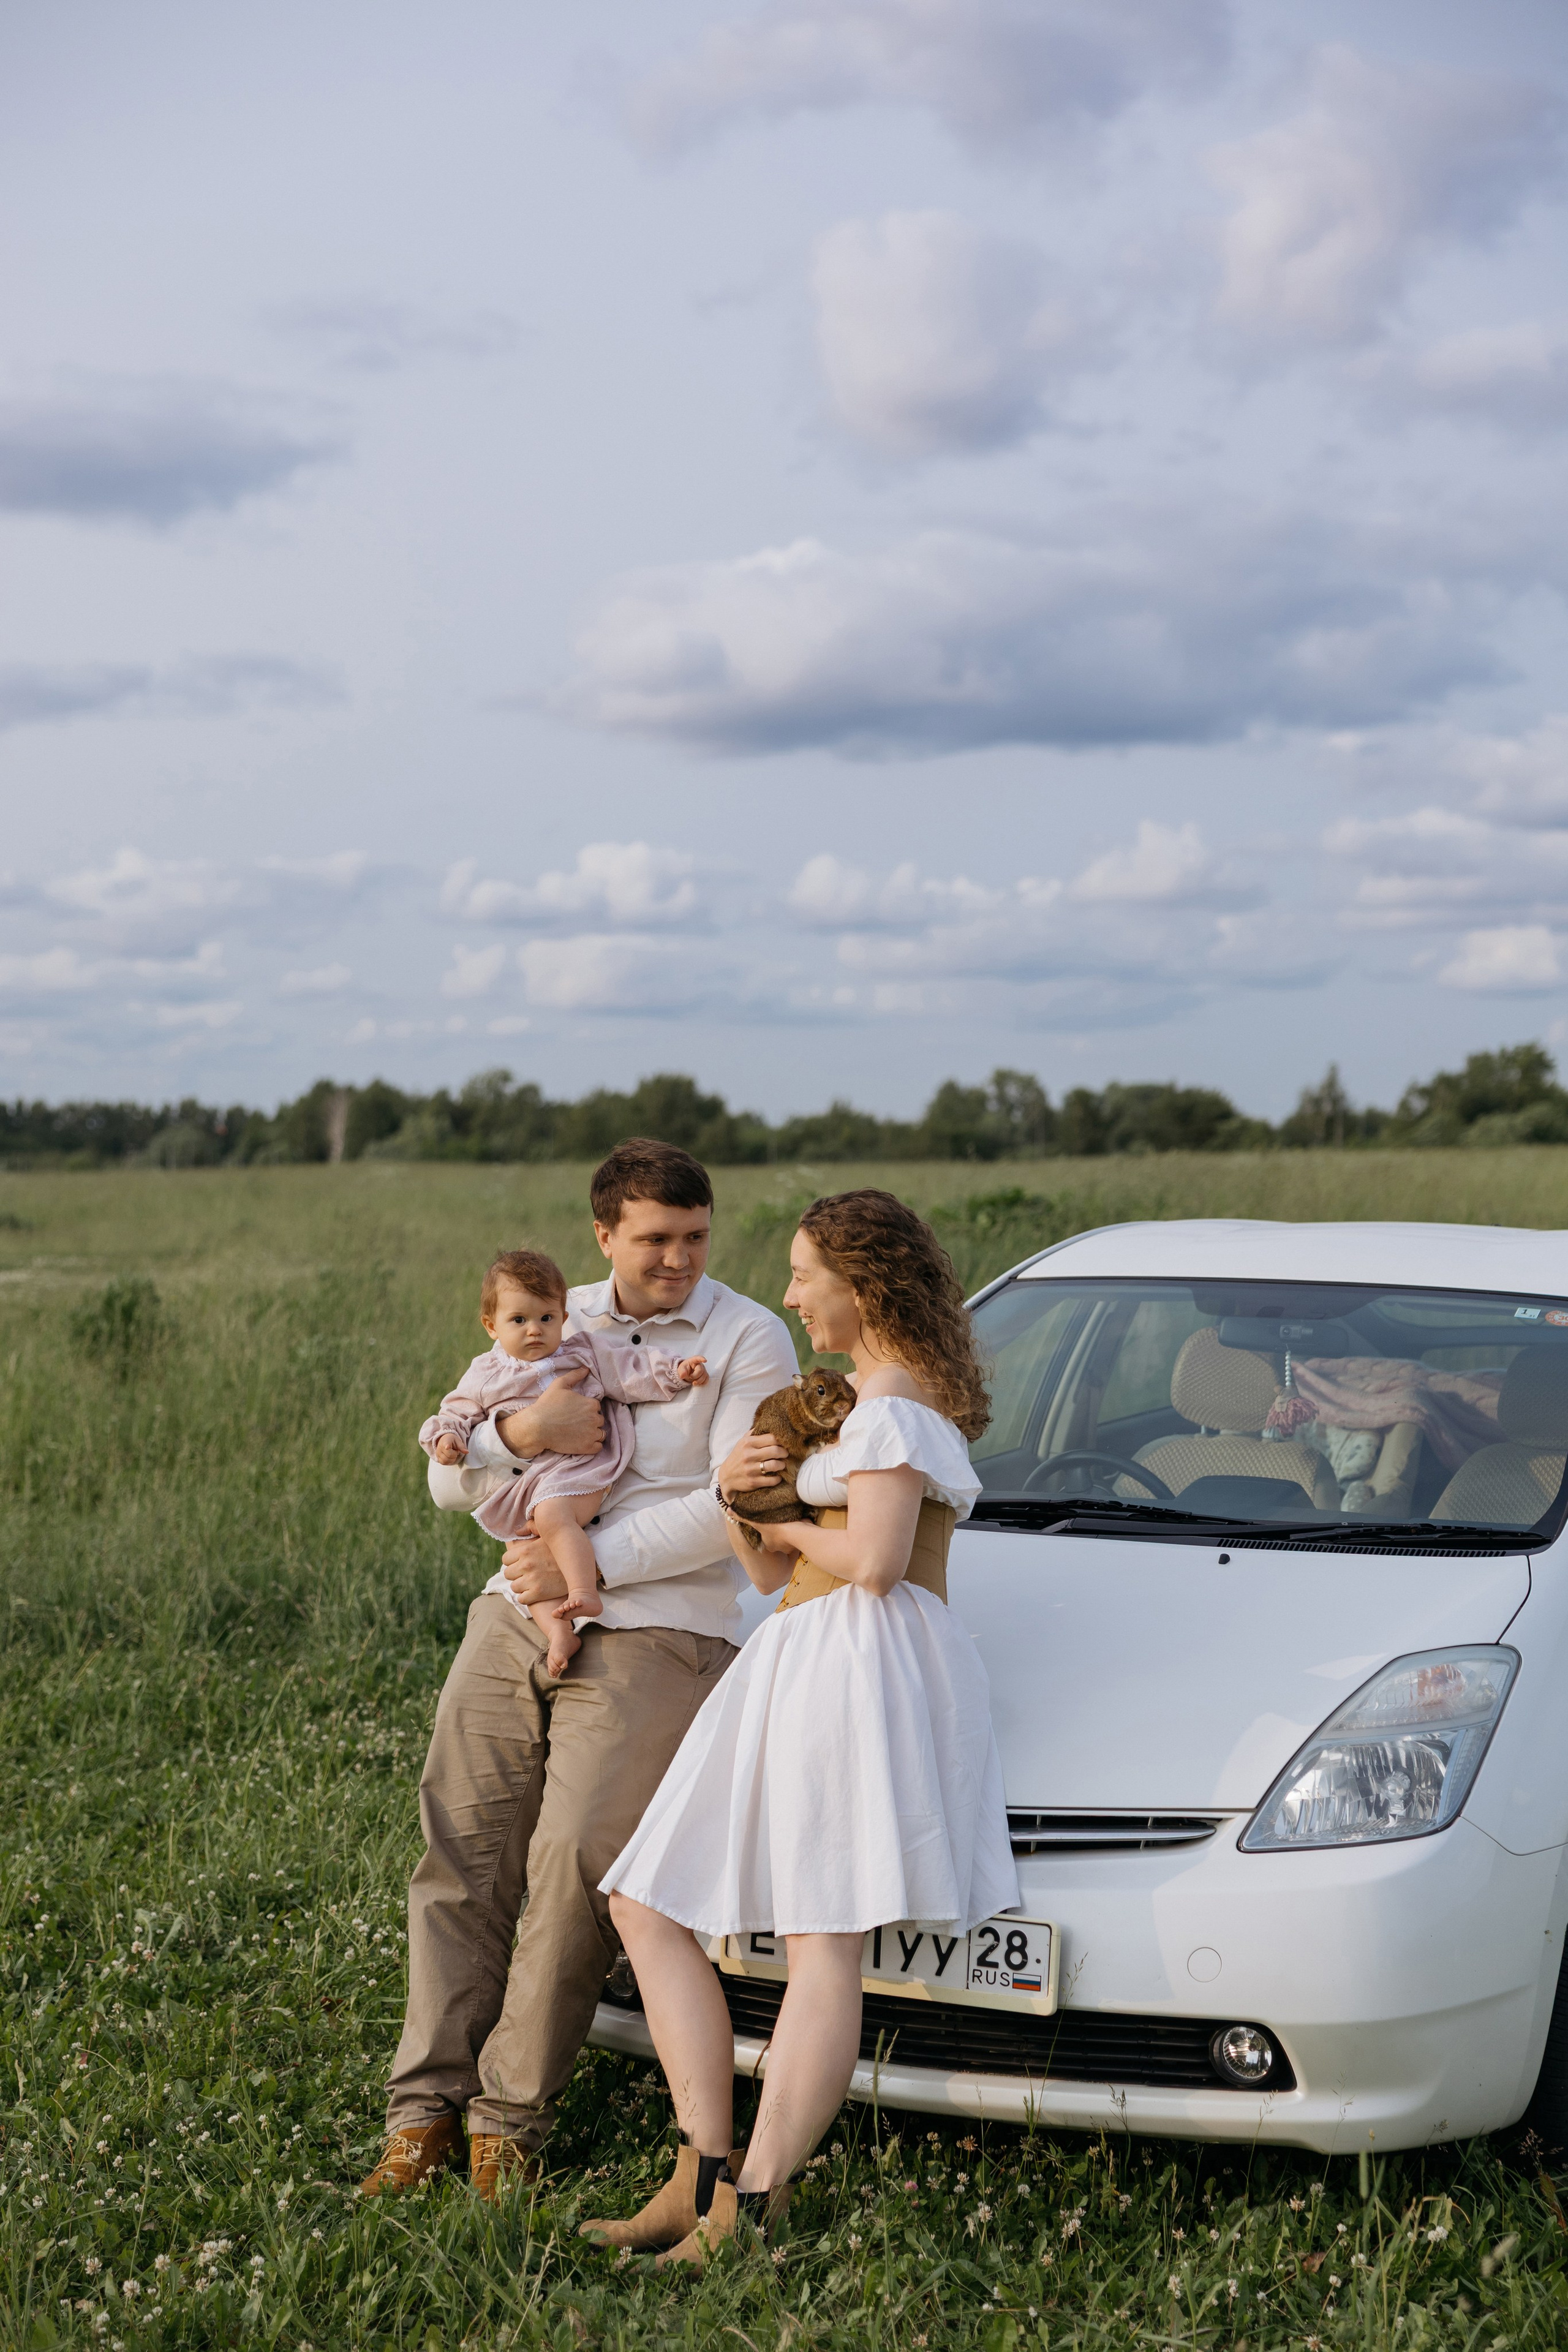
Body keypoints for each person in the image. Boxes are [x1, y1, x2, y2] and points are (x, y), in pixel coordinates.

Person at [584, 1188, 1019, 2264]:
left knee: (824, 1941)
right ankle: (702, 2171)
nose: (788, 1296)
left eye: (802, 1275)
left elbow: (873, 1561)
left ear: (861, 1283)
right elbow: (772, 1575)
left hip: (862, 1658)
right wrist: (742, 1500)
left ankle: (752, 2202)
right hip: (798, 1647)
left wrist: (779, 1521)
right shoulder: (856, 1401)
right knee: (643, 1900)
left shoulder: (898, 1401)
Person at [359, 1139, 798, 2203]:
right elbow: (447, 1482)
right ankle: (421, 2111)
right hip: (516, 1608)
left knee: (574, 1863)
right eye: (654, 1239)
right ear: (605, 1234)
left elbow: (735, 1502)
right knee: (461, 1850)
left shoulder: (749, 1338)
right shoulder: (552, 1316)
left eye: (696, 1237)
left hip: (667, 1625)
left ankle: (507, 2122)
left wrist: (586, 1562)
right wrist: (519, 1429)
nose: (678, 1259)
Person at [418, 1245, 708, 1677]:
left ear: (563, 1318)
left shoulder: (581, 1354)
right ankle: (558, 1632)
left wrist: (675, 1371)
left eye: (547, 1318)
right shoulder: (484, 1374)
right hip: (528, 1483)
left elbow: (629, 1369)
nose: (535, 1330)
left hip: (580, 1470)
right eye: (519, 1320)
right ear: (491, 1326)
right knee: (521, 1552)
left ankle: (583, 1589)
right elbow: (456, 1411)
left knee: (553, 1517)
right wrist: (446, 1438)